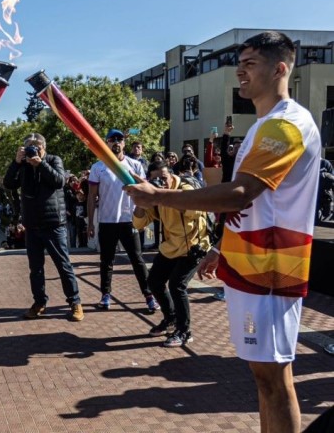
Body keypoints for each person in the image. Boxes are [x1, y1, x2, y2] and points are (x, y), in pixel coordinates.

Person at [126, 31, 320, 433]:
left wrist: (159, 195)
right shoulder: (262, 127)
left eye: (250, 64)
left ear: (281, 68)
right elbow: (254, 206)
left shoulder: (286, 126)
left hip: (271, 269)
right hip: (251, 264)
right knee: (262, 378)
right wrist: (221, 247)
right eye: (239, 65)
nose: (239, 73)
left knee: (273, 378)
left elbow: (238, 194)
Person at [4, 133, 84, 321]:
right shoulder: (22, 165)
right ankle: (39, 302)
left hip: (53, 224)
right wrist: (16, 162)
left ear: (44, 146)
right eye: (29, 145)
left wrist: (40, 163)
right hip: (32, 225)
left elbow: (59, 181)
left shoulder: (53, 160)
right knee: (36, 269)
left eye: (36, 145)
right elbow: (9, 183)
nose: (32, 148)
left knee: (63, 265)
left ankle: (75, 302)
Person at [133, 160, 210, 347]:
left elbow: (193, 210)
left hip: (193, 246)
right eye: (156, 181)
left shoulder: (186, 187)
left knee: (177, 285)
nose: (161, 183)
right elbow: (138, 224)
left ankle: (185, 331)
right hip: (171, 247)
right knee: (154, 282)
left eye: (164, 178)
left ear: (172, 175)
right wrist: (140, 201)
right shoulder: (156, 195)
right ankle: (171, 319)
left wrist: (162, 195)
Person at [87, 129, 157, 313]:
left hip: (130, 221)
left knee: (137, 259)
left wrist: (143, 219)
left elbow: (144, 192)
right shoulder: (98, 167)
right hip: (107, 221)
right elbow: (91, 196)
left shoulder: (134, 165)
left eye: (120, 139)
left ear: (124, 143)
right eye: (112, 140)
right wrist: (90, 224)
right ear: (107, 143)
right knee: (106, 261)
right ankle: (105, 295)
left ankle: (149, 296)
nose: (116, 142)